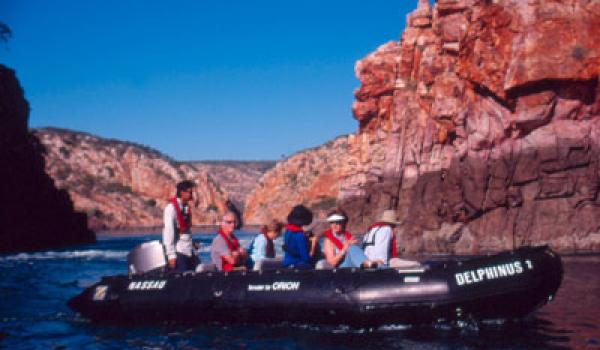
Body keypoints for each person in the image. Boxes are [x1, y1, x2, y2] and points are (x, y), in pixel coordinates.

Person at [163, 180, 199, 272]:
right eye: (190, 192)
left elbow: (186, 231)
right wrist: (171, 255)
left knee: (200, 271)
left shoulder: (186, 207)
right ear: (182, 193)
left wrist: (193, 244)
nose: (191, 195)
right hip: (179, 252)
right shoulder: (171, 209)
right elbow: (168, 232)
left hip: (189, 250)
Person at [282, 205, 316, 269]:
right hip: (297, 265)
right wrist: (313, 245)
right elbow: (306, 258)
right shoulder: (300, 235)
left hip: (286, 263)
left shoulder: (287, 231)